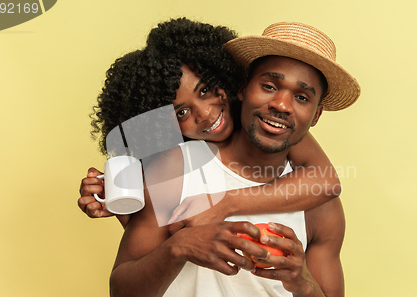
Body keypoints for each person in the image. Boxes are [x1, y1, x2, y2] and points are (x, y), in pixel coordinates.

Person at [108, 22, 360, 297]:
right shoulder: (172, 169)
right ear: (243, 87)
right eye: (269, 86)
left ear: (316, 115)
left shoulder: (319, 202)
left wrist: (303, 284)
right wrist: (179, 246)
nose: (281, 104)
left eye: (302, 98)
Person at [79, 18, 340, 229]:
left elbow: (327, 181)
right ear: (160, 127)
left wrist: (226, 203)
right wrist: (124, 208)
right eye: (180, 112)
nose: (204, 113)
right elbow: (160, 256)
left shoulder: (266, 119)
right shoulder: (173, 164)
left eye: (205, 90)